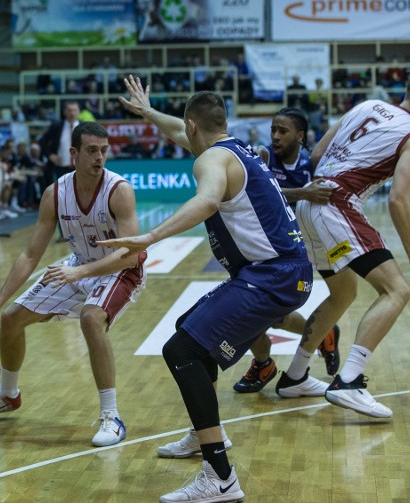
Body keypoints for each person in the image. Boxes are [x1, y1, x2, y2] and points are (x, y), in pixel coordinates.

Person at [103, 76, 313, 502]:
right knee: (189, 331)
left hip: (271, 275)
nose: (182, 136)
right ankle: (204, 438)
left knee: (181, 351)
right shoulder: (232, 148)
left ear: (193, 128)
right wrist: (148, 113)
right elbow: (179, 129)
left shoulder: (210, 163)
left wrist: (149, 237)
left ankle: (219, 476)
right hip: (282, 272)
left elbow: (207, 201)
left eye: (184, 130)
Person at [274, 71, 410, 418]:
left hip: (310, 205)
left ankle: (295, 376)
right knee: (397, 291)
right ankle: (349, 381)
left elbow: (316, 155)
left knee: (343, 293)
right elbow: (398, 200)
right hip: (338, 205)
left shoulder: (365, 105)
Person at [0, 122, 147, 447]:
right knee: (10, 319)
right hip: (78, 266)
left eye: (104, 151)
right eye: (92, 150)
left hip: (119, 271)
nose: (100, 157)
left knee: (91, 318)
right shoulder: (55, 193)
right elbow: (29, 254)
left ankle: (112, 416)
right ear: (74, 153)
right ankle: (8, 395)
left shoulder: (119, 190)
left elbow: (130, 255)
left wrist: (80, 273)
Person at [230, 108, 338, 394]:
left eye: (283, 131)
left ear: (300, 136)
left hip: (290, 251)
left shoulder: (311, 165)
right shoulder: (263, 157)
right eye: (273, 129)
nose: (275, 136)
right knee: (255, 312)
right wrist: (303, 193)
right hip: (260, 247)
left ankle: (266, 363)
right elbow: (267, 194)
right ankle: (319, 333)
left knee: (255, 312)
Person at [39, 101, 80, 182]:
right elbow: (42, 141)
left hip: (80, 167)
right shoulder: (57, 126)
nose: (72, 113)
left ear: (79, 112)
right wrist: (50, 155)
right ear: (64, 112)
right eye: (69, 110)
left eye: (74, 110)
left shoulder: (84, 127)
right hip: (61, 167)